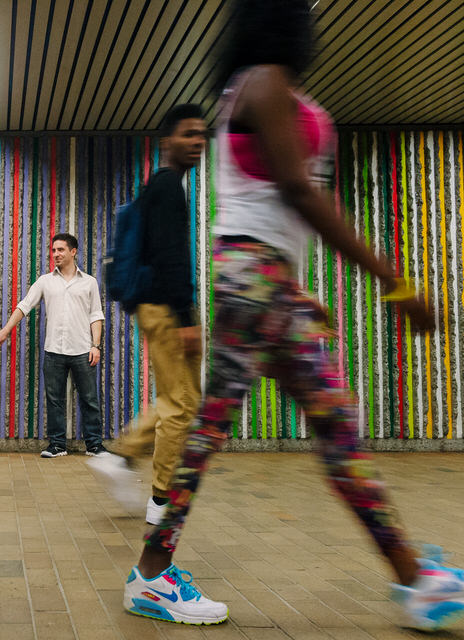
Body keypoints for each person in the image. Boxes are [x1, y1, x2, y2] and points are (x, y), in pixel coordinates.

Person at [124, 0, 464, 630]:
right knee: (279, 426)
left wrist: (294, 287)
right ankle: (150, 576)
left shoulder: (253, 83)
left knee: (303, 424)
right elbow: (298, 190)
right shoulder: (265, 78)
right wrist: (395, 283)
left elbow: (266, 206)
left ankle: (413, 575)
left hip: (259, 279)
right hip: (255, 279)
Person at [89, 105, 208, 525]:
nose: (197, 142)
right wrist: (188, 317)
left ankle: (119, 457)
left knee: (184, 399)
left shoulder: (163, 187)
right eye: (189, 134)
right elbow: (170, 258)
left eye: (202, 135)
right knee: (181, 404)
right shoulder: (168, 189)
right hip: (165, 309)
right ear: (167, 142)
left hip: (156, 307)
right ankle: (161, 501)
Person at [0, 233, 107, 457]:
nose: (55, 254)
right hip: (54, 351)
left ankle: (94, 445)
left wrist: (96, 345)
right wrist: (5, 330)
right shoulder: (45, 281)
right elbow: (24, 306)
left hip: (83, 350)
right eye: (53, 250)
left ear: (73, 252)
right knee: (55, 401)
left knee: (90, 399)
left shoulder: (89, 282)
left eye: (60, 250)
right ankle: (57, 445)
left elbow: (96, 315)